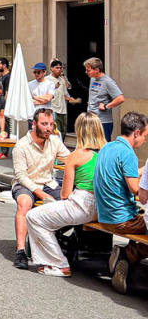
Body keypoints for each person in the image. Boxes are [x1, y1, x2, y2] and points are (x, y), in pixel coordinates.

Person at [26, 113, 106, 277]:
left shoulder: (76, 155)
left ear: (79, 131)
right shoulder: (109, 151)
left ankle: (59, 263)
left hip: (82, 205)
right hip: (104, 206)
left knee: (33, 216)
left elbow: (65, 194)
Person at [94, 111, 148, 294]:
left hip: (103, 216)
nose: (144, 141)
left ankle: (126, 256)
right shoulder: (128, 154)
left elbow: (126, 174)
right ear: (137, 133)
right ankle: (128, 254)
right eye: (145, 136)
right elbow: (137, 191)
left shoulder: (107, 148)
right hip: (122, 220)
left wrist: (143, 172)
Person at [10, 108, 71, 270]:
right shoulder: (21, 146)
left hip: (48, 184)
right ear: (34, 124)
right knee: (24, 204)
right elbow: (21, 176)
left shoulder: (55, 141)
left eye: (51, 124)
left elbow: (70, 160)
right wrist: (40, 193)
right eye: (44, 124)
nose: (48, 128)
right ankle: (21, 251)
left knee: (71, 204)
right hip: (25, 184)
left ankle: (54, 237)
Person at [84, 57, 125, 142]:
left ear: (97, 70)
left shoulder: (108, 81)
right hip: (91, 119)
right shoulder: (92, 79)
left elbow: (120, 98)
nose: (86, 72)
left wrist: (106, 106)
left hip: (103, 122)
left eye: (89, 70)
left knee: (103, 147)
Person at [45, 59, 77, 140]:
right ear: (51, 68)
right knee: (56, 131)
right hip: (53, 109)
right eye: (57, 68)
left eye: (60, 68)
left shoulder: (62, 80)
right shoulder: (47, 80)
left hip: (63, 110)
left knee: (63, 130)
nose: (59, 70)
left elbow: (65, 94)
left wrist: (72, 99)